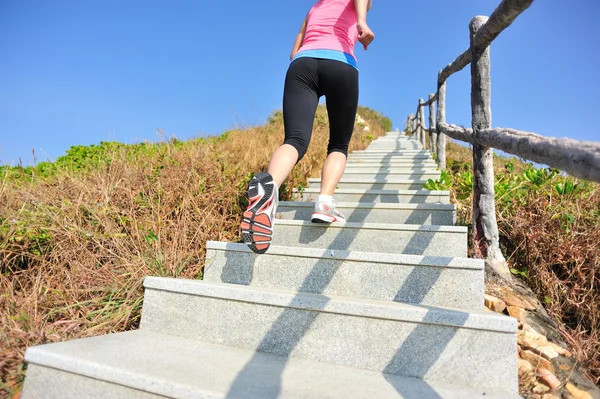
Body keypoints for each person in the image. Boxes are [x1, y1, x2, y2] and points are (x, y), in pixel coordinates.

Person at [240, 0, 375, 254]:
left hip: (302, 64)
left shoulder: (313, 9)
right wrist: (362, 21)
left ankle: (269, 191)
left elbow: (294, 50)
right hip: (340, 63)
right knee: (338, 144)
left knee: (295, 139)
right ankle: (324, 202)